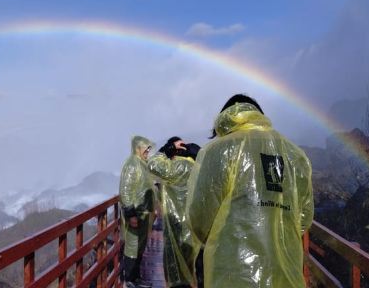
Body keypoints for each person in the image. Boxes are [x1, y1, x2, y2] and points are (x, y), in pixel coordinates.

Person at [186, 94, 313, 288]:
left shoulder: (218, 149)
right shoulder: (296, 155)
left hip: (232, 273)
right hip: (287, 274)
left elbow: (200, 216)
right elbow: (303, 217)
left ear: (225, 118)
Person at [148, 137, 201, 288]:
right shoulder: (200, 169)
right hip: (199, 229)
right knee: (195, 270)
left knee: (176, 271)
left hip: (178, 228)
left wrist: (168, 147)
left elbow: (152, 164)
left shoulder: (179, 167)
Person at [119, 135, 156, 288]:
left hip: (144, 214)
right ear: (137, 148)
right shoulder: (132, 164)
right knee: (132, 247)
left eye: (149, 148)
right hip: (135, 214)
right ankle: (129, 280)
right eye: (146, 148)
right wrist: (131, 215)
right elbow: (125, 191)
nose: (148, 151)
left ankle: (136, 278)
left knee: (139, 247)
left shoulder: (142, 163)